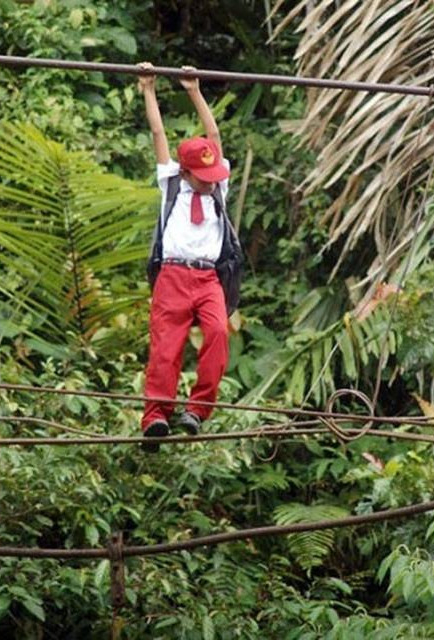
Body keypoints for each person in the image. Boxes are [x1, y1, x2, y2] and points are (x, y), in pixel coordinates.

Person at [137, 62, 243, 453]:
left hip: (207, 279)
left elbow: (213, 134)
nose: (212, 178)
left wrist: (194, 90)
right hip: (173, 276)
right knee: (166, 347)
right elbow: (158, 132)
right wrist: (149, 88)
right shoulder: (171, 185)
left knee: (217, 333)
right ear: (185, 173)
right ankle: (155, 418)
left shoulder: (219, 189)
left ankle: (198, 410)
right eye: (203, 175)